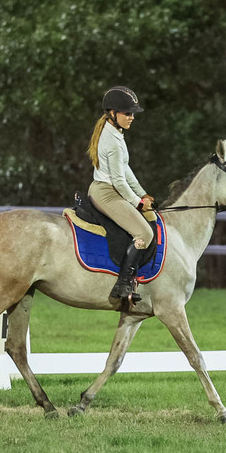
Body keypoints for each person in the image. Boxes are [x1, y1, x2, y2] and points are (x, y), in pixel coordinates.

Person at [86, 86, 155, 302]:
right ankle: (123, 284)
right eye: (127, 113)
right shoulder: (113, 141)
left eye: (133, 113)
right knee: (145, 234)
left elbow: (126, 170)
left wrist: (143, 193)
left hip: (109, 189)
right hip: (107, 192)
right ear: (113, 113)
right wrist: (137, 203)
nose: (132, 117)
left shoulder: (114, 133)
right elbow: (118, 180)